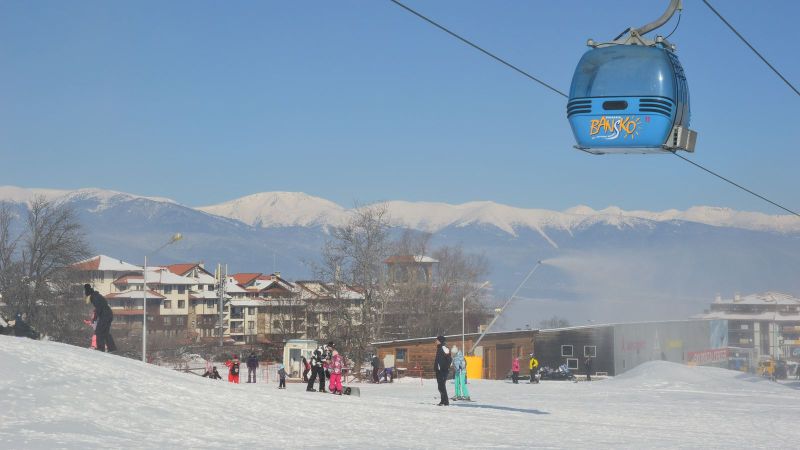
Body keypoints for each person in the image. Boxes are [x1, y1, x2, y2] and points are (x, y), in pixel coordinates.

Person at [84, 284, 116, 352]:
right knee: (105, 332)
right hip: (109, 314)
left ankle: (101, 348)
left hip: (105, 315)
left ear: (89, 295)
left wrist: (94, 318)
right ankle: (112, 348)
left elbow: (99, 308)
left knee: (99, 331)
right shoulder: (97, 296)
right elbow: (100, 307)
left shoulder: (94, 297)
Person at [434, 335, 452, 406]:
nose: (436, 341)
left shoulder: (444, 348)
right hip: (438, 370)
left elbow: (449, 359)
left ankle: (446, 401)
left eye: (437, 340)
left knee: (442, 386)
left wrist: (445, 368)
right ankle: (443, 401)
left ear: (440, 341)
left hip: (443, 371)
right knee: (440, 386)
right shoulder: (439, 348)